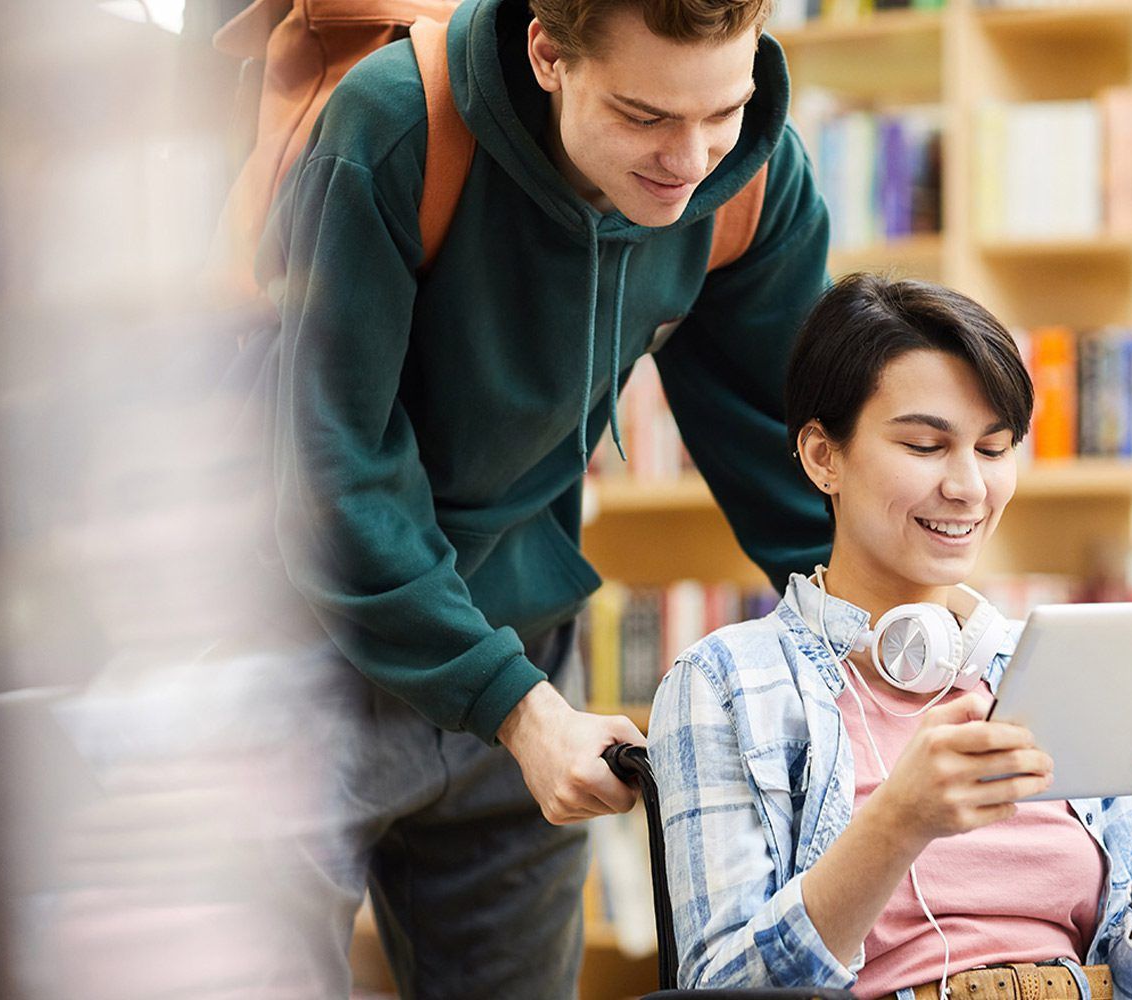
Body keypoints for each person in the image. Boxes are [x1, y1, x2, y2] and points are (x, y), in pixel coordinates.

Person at [231, 0, 833, 994]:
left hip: (523, 658)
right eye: (643, 115)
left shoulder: (751, 173)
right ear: (547, 51)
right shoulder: (391, 127)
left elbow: (795, 465)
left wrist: (905, 650)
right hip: (300, 659)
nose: (689, 159)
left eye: (719, 110)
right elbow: (329, 471)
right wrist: (519, 710)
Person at [647, 274, 1132, 1000]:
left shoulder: (1055, 666)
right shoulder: (725, 683)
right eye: (924, 445)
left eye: (995, 448)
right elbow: (722, 989)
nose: (970, 487)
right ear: (823, 457)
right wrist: (897, 823)